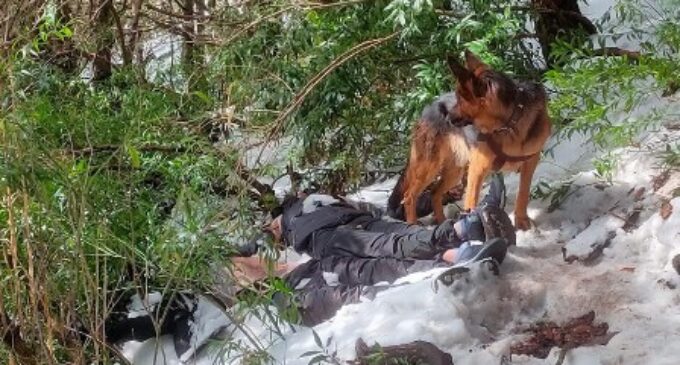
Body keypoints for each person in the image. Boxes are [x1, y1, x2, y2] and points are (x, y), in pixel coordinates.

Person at [266, 173, 514, 267]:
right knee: (392, 243)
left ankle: (468, 233)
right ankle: (461, 243)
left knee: (398, 237)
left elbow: (367, 208)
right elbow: (259, 243)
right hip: (331, 235)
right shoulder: (289, 219)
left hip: (351, 223)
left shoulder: (317, 201)